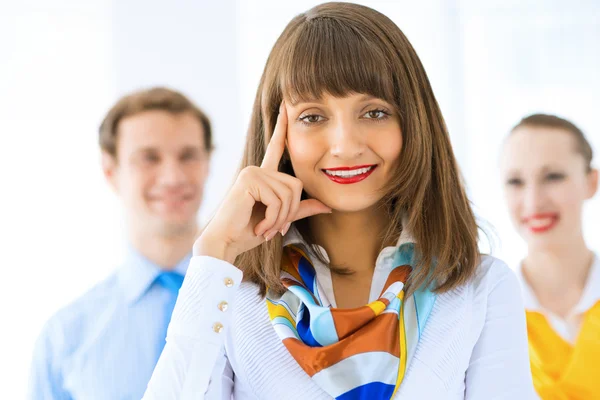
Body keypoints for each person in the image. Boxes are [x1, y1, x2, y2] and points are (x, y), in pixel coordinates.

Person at [143, 3, 535, 399]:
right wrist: (215, 250)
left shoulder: (478, 289)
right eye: (313, 117)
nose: (345, 146)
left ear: (413, 124)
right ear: (279, 136)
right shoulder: (230, 293)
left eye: (375, 112)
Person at [28, 87, 213, 399]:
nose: (172, 177)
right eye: (149, 158)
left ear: (207, 164)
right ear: (111, 171)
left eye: (188, 156)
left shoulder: (259, 305)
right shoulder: (64, 337)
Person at [500, 113, 599, 399]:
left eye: (553, 176)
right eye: (515, 181)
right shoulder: (485, 314)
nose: (534, 202)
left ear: (591, 182)